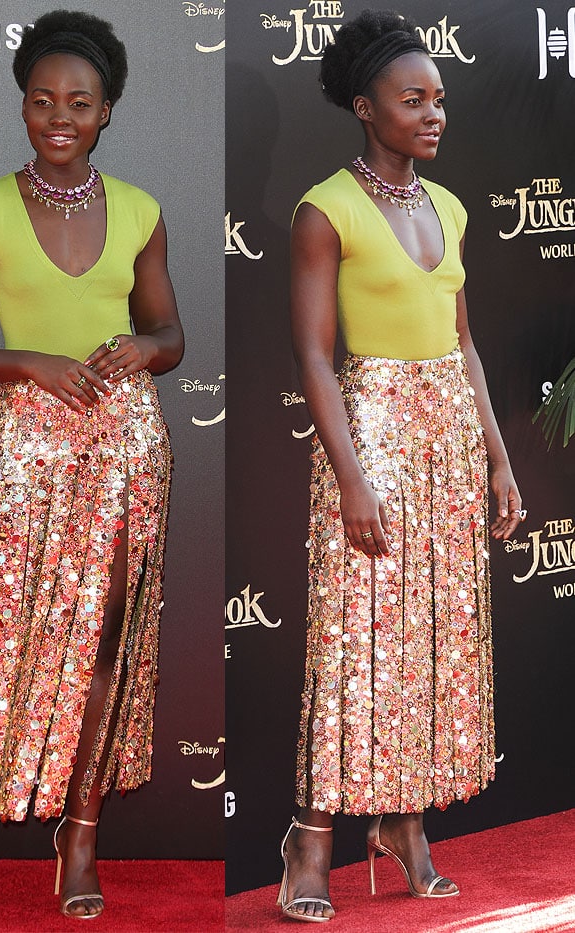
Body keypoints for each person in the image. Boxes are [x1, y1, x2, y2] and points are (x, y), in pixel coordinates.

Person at [0, 10, 183, 920]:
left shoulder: (141, 209)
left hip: (126, 449)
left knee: (102, 648)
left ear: (108, 111)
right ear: (22, 105)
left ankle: (82, 833)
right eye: (42, 100)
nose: (59, 116)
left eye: (80, 102)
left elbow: (172, 334)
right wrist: (28, 361)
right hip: (27, 450)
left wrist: (143, 350)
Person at [280, 10, 524, 922]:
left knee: (431, 642)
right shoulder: (324, 209)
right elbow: (313, 356)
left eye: (439, 100)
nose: (433, 114)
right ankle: (309, 838)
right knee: (356, 643)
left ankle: (403, 825)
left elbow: (466, 350)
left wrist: (497, 460)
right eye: (412, 99)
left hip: (449, 445)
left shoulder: (450, 207)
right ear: (364, 107)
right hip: (371, 441)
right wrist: (349, 477)